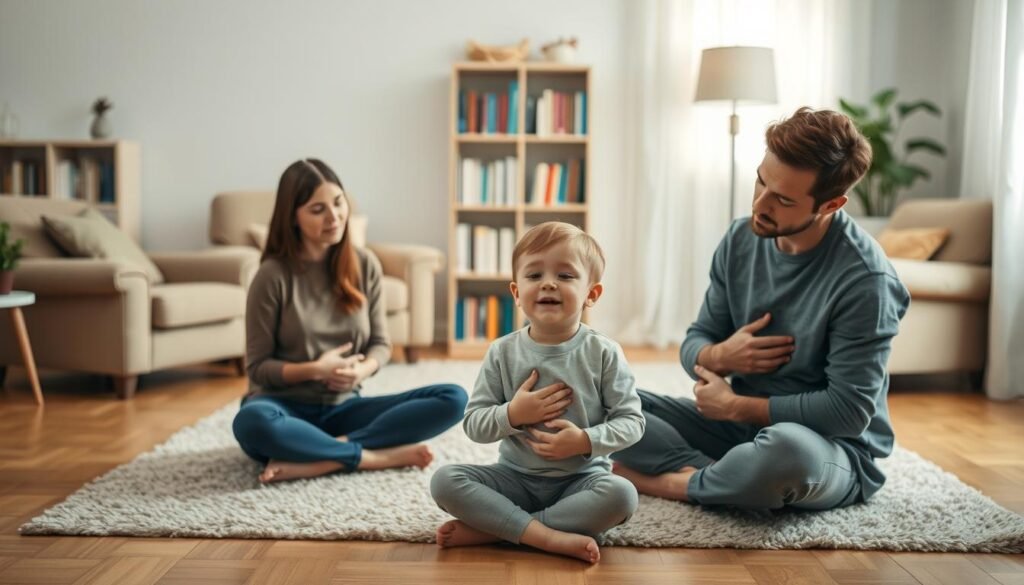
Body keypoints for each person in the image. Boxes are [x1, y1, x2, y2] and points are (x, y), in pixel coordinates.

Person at [612, 107, 910, 511]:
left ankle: (676, 484)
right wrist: (718, 356)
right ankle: (715, 474)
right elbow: (697, 338)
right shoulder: (740, 239)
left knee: (786, 453)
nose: (759, 205)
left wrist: (737, 405)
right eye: (760, 181)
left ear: (830, 204)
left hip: (827, 449)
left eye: (783, 199)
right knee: (591, 394)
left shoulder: (866, 283)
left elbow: (848, 412)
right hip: (737, 430)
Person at [232, 158, 467, 483]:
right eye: (317, 209)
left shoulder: (363, 263)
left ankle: (323, 456)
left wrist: (362, 369)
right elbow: (257, 368)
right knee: (251, 423)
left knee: (454, 398)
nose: (334, 217)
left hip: (344, 409)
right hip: (285, 408)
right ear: (293, 217)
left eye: (339, 203)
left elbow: (380, 345)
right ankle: (371, 457)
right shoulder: (271, 276)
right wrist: (315, 369)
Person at [430, 222, 645, 564]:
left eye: (565, 275)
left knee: (622, 495)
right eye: (534, 275)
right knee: (444, 480)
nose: (548, 283)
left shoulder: (604, 352)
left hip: (581, 481)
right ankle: (546, 536)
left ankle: (499, 530)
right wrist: (513, 415)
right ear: (516, 293)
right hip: (515, 478)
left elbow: (632, 422)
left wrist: (585, 441)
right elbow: (474, 424)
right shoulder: (502, 352)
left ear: (592, 294)